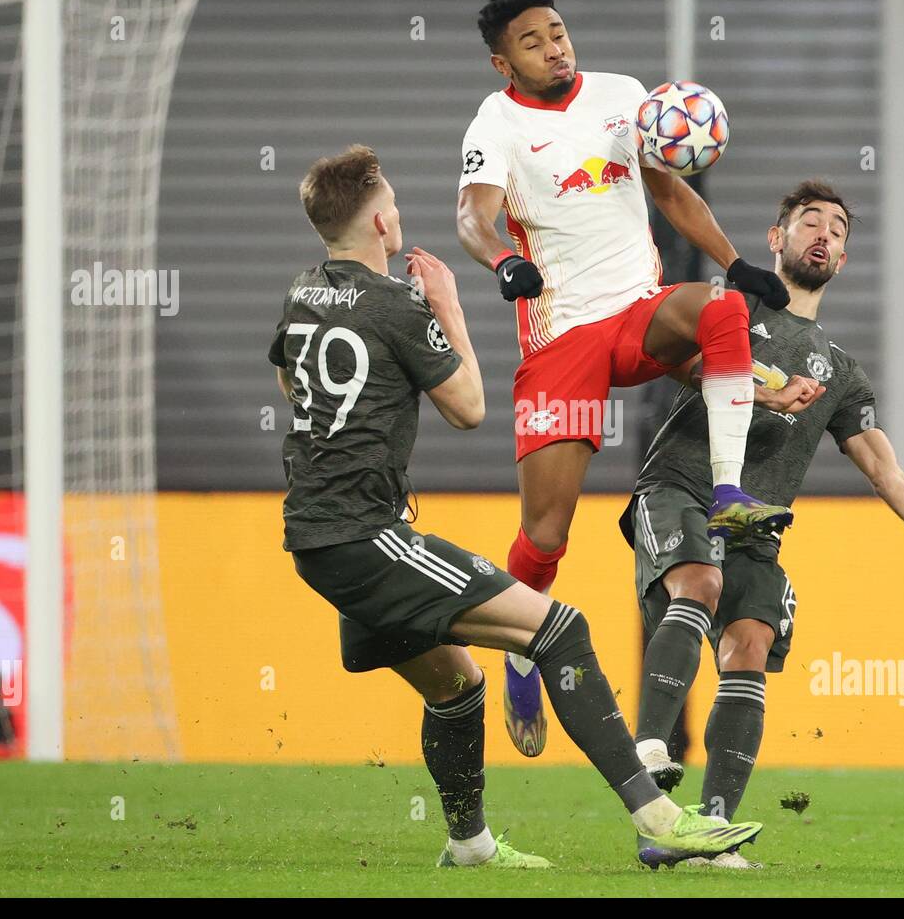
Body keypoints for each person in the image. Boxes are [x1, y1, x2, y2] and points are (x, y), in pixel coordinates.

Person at [267, 144, 765, 869]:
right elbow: (467, 407)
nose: (398, 212)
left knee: (458, 684)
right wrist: (448, 308)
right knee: (561, 630)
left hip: (318, 534)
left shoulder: (304, 290)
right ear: (381, 222)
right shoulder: (398, 304)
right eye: (394, 203)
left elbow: (290, 383)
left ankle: (469, 845)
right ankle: (658, 818)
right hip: (364, 536)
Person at [456, 0, 811, 756]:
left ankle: (726, 494)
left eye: (558, 32)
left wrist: (737, 262)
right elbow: (472, 216)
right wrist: (503, 259)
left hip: (638, 311)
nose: (554, 46)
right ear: (502, 61)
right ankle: (520, 650)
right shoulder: (497, 123)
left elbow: (668, 190)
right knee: (546, 536)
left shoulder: (623, 98)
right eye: (533, 41)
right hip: (564, 341)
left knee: (720, 309)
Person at [620, 180, 904, 867]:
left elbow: (887, 474)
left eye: (837, 228)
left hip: (755, 529)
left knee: (750, 643)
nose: (824, 234)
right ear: (776, 240)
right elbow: (671, 362)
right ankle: (651, 747)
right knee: (699, 585)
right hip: (681, 487)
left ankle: (711, 832)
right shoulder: (730, 309)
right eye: (810, 222)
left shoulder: (839, 373)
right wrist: (768, 393)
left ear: (842, 259)